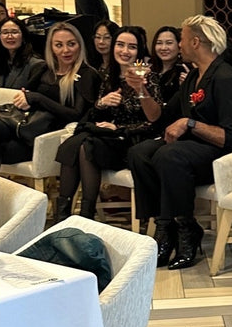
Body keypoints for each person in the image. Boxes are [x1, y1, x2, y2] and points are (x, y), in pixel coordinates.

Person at [125, 15, 232, 270]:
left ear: (195, 42)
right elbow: (160, 118)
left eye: (181, 39)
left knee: (169, 155)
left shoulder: (225, 78)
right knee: (139, 152)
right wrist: (141, 91)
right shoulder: (193, 77)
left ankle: (185, 229)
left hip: (219, 154)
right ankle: (164, 225)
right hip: (189, 150)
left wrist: (190, 124)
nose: (179, 45)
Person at [54, 27, 161, 220]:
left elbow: (154, 122)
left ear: (139, 51)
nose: (125, 51)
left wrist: (119, 127)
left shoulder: (148, 77)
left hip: (134, 142)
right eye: (120, 45)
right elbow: (95, 115)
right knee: (76, 144)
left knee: (86, 146)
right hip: (110, 139)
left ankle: (86, 214)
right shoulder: (108, 75)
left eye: (132, 47)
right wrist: (102, 103)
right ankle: (63, 213)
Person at [0, 22, 101, 165]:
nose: (66, 50)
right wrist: (26, 99)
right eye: (58, 45)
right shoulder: (44, 69)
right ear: (51, 48)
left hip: (49, 136)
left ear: (80, 45)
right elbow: (27, 95)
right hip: (23, 126)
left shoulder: (87, 74)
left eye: (71, 44)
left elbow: (76, 114)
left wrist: (38, 99)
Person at [0, 18, 44, 89]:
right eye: (5, 32)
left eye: (14, 32)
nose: (9, 36)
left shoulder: (36, 65)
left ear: (23, 36)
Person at [149, 25, 187, 102]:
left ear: (179, 46)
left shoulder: (184, 71)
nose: (163, 48)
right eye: (159, 43)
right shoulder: (150, 70)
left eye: (169, 43)